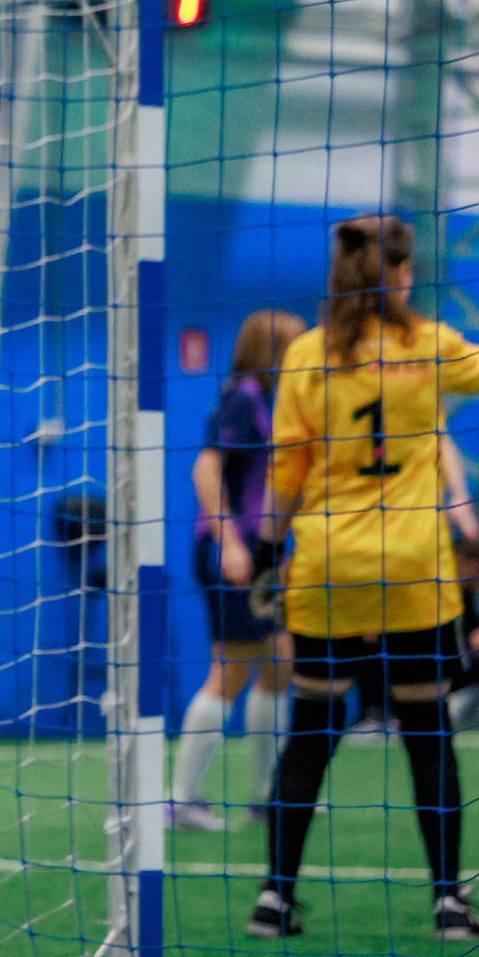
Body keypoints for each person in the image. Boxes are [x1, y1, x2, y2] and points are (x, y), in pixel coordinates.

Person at [248, 216, 479, 944]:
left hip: (327, 568)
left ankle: (274, 900)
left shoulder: (307, 358)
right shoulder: (430, 345)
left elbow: (286, 472)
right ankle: (448, 902)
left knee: (312, 730)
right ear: (403, 276)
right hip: (411, 569)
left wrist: (264, 551)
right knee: (426, 730)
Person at [171, 308, 303, 831]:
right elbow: (205, 466)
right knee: (231, 669)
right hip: (233, 554)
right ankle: (180, 799)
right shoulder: (244, 399)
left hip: (257, 554)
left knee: (279, 662)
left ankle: (266, 797)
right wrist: (230, 540)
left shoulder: (268, 403)